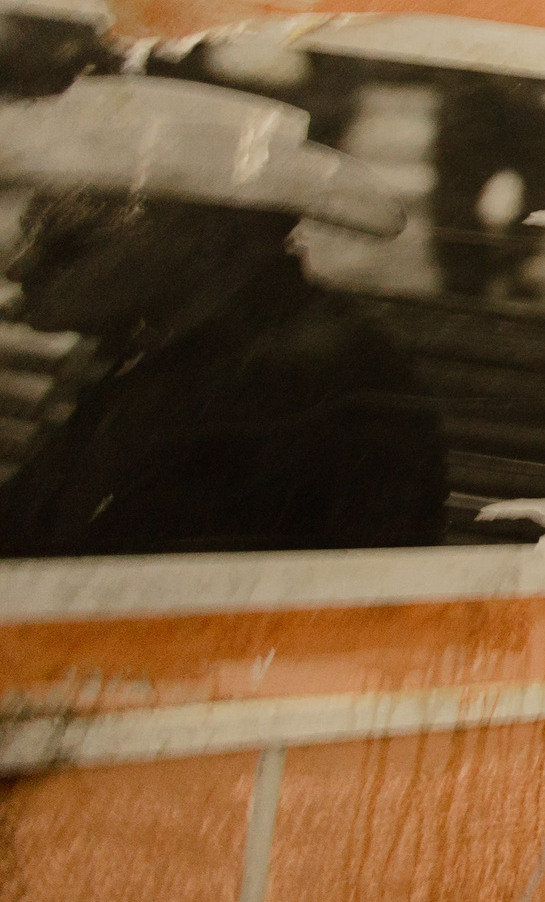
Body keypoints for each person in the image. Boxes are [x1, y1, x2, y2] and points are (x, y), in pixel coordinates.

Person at [0, 75, 447, 555]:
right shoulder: (170, 345)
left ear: (205, 238)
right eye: (37, 225)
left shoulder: (291, 385)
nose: (18, 262)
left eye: (75, 233)